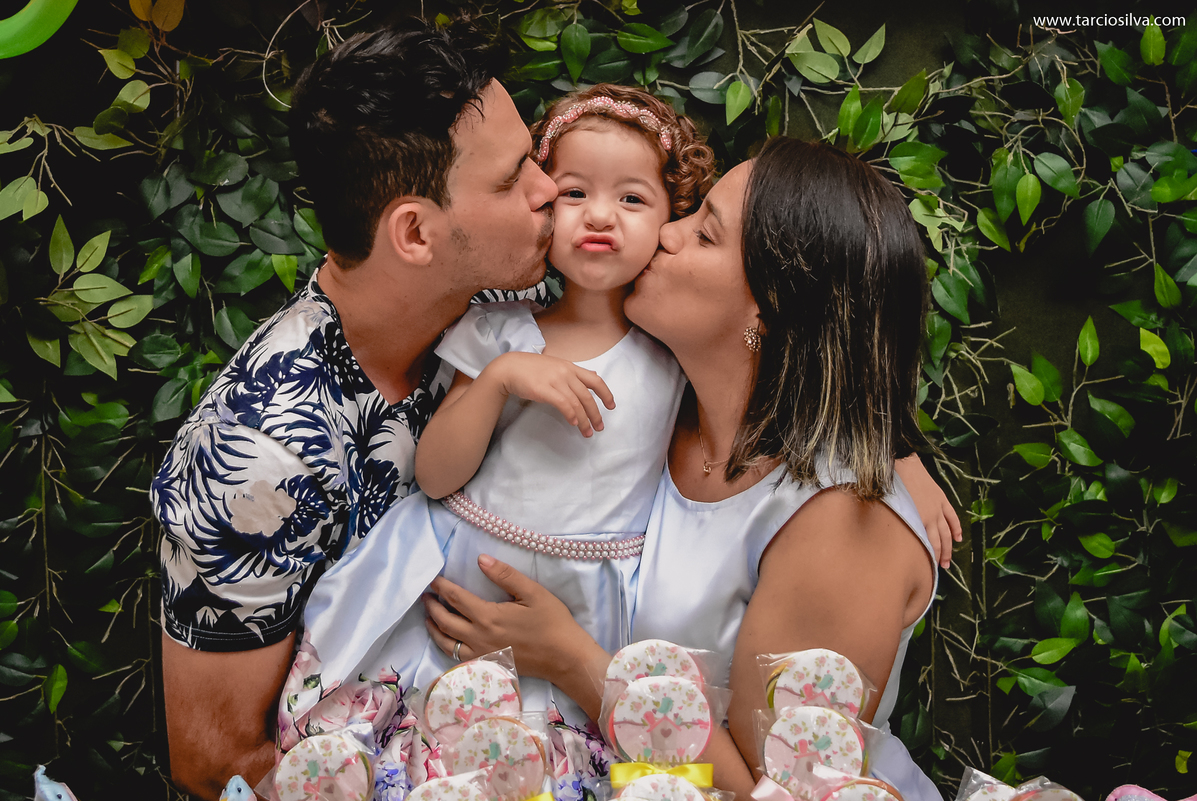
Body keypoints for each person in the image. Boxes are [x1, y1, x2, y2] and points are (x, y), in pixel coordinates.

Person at [420, 139, 957, 801]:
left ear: (768, 306)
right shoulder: (658, 407)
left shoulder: (840, 524)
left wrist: (573, 660)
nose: (665, 234)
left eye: (703, 233)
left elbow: (776, 790)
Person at [149, 19, 558, 800]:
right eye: (511, 180)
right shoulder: (257, 455)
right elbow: (217, 762)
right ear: (414, 232)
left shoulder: (510, 290)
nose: (547, 189)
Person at [275, 83, 716, 797]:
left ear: (671, 217)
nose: (600, 215)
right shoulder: (500, 330)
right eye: (574, 192)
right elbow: (436, 472)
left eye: (633, 199)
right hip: (464, 577)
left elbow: (775, 381)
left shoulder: (672, 351)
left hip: (587, 607)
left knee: (546, 758)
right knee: (447, 739)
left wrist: (901, 456)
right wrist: (501, 379)